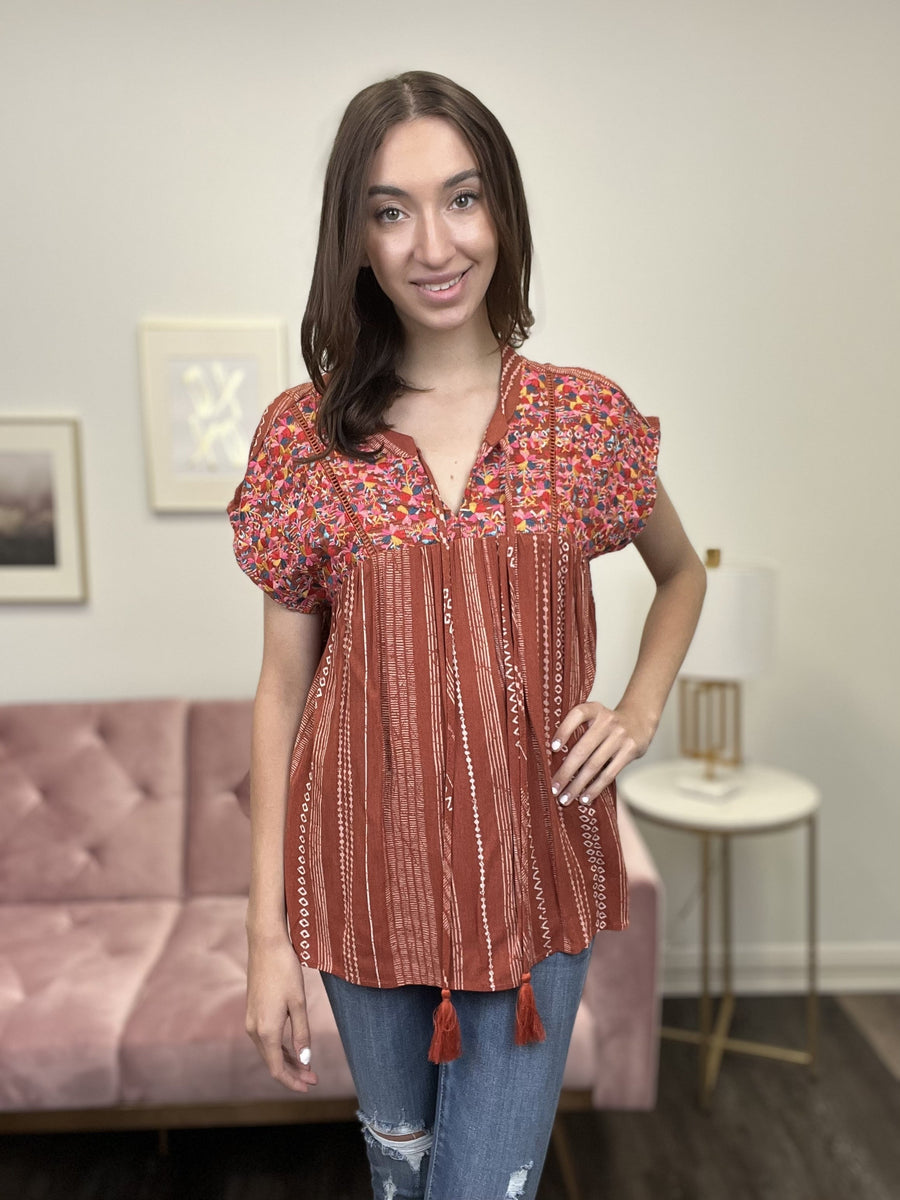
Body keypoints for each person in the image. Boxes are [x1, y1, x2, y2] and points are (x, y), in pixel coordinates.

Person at [227, 69, 706, 1200]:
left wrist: (639, 709)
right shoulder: (306, 438)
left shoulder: (582, 420)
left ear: (502, 212)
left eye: (462, 198)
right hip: (360, 879)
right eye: (390, 211)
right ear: (355, 239)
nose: (433, 245)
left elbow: (682, 574)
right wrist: (265, 938)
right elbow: (281, 692)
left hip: (534, 881)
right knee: (400, 1178)